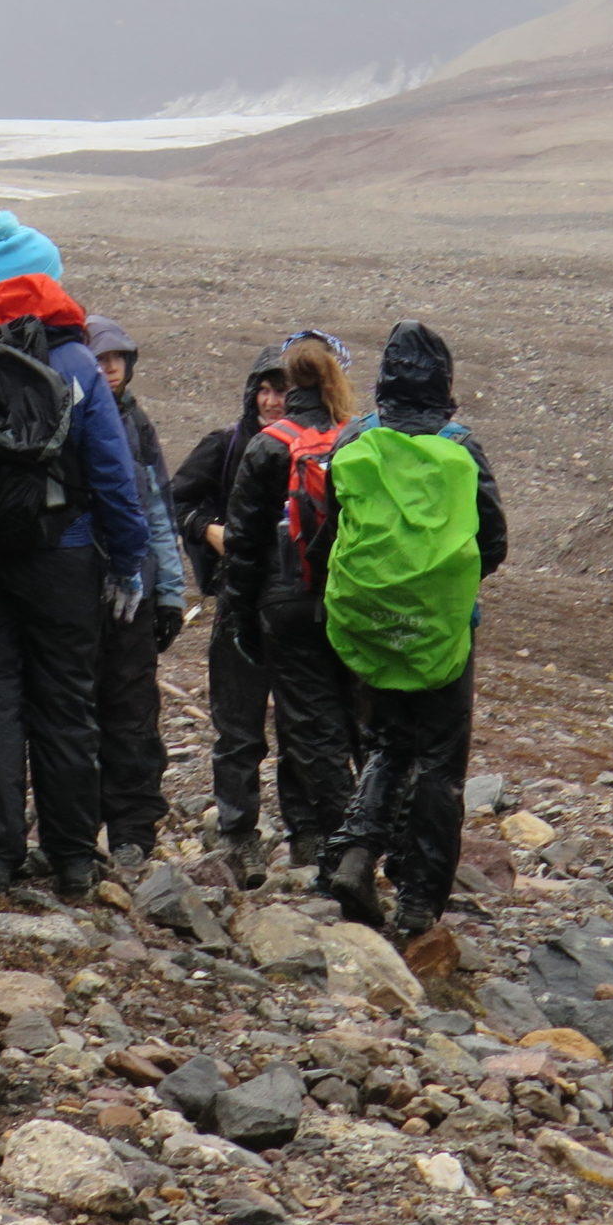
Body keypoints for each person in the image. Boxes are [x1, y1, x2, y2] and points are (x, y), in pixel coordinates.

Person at [0, 212, 150, 901]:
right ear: (51, 282)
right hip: (62, 558)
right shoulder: (77, 362)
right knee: (65, 703)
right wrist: (129, 560)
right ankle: (73, 857)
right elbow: (113, 471)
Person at [320, 322, 508, 939]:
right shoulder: (461, 445)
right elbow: (494, 542)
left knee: (385, 743)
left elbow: (330, 527)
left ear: (384, 384)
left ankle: (354, 856)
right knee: (440, 763)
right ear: (445, 387)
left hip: (369, 622)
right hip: (444, 630)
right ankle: (421, 901)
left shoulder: (355, 439)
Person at [219, 331, 362, 870]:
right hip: (349, 601)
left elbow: (243, 544)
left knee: (309, 730)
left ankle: (340, 847)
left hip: (285, 603)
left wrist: (241, 620)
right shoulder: (359, 439)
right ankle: (349, 839)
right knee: (353, 722)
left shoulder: (268, 444)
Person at [169, 344, 300, 887]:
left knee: (304, 728)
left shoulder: (328, 446)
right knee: (238, 727)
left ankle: (308, 836)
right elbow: (175, 499)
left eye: (282, 390)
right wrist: (208, 529)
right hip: (239, 604)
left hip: (302, 607)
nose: (270, 400)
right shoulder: (226, 445)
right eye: (263, 390)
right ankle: (237, 832)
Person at [82, 318, 189, 873]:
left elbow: (157, 511)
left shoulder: (136, 423)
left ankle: (129, 834)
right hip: (78, 587)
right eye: (101, 358)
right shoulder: (77, 414)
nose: (111, 367)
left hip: (133, 595)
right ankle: (80, 826)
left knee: (130, 714)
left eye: (119, 358)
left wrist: (169, 592)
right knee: (81, 710)